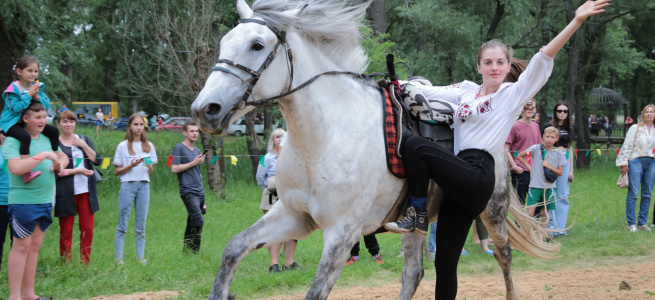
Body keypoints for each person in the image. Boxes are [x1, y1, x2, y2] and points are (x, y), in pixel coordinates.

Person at [384, 1, 609, 297]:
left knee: (415, 147)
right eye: (488, 62)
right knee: (445, 262)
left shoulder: (511, 95)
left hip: (479, 174)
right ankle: (420, 216)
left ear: (506, 67)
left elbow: (545, 56)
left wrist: (576, 22)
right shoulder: (465, 90)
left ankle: (418, 212)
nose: (494, 67)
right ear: (479, 66)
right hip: (458, 181)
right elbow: (427, 91)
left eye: (499, 62)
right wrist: (397, 86)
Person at [4, 101, 67, 300]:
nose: (42, 121)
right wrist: (43, 156)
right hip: (23, 202)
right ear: (25, 119)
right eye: (37, 117)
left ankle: (29, 294)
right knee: (21, 246)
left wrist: (58, 164)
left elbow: (63, 157)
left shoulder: (48, 137)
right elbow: (16, 168)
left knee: (34, 248)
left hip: (45, 200)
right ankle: (14, 296)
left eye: (44, 117)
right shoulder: (13, 141)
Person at [1, 56, 61, 184]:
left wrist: (37, 96)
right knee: (25, 137)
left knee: (54, 131)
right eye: (29, 70)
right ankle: (26, 172)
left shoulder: (37, 87)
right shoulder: (12, 90)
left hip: (27, 122)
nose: (33, 74)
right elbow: (16, 109)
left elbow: (44, 107)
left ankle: (57, 161)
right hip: (11, 124)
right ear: (19, 72)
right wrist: (28, 95)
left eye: (36, 71)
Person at [55, 110, 101, 264]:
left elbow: (97, 160)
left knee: (87, 229)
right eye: (65, 121)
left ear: (75, 123)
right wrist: (77, 171)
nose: (68, 124)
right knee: (66, 231)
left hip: (86, 192)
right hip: (66, 192)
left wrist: (83, 145)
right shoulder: (55, 143)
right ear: (59, 124)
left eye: (71, 121)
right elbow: (56, 170)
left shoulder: (83, 139)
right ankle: (66, 263)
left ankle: (85, 263)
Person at [113, 113, 158, 264]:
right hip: (128, 185)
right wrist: (131, 165)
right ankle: (119, 258)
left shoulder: (149, 146)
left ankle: (140, 257)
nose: (139, 128)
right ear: (130, 126)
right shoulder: (122, 146)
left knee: (141, 224)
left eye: (141, 125)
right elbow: (117, 171)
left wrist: (149, 166)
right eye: (136, 124)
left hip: (144, 186)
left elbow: (151, 172)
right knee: (122, 222)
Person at [256, 128, 299, 272]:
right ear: (272, 140)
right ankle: (273, 263)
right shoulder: (266, 157)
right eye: (277, 137)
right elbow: (259, 177)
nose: (280, 139)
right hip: (272, 193)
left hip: (289, 194)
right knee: (274, 228)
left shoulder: (292, 157)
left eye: (282, 137)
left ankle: (289, 262)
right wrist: (269, 186)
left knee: (293, 228)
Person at [616, 104, 655, 232]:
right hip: (636, 161)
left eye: (651, 112)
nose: (649, 114)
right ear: (643, 114)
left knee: (647, 194)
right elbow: (627, 145)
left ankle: (642, 222)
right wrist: (623, 162)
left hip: (652, 162)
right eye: (646, 112)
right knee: (633, 193)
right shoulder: (636, 128)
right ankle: (631, 223)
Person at [517, 127, 566, 225]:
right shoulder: (535, 148)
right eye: (547, 136)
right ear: (543, 137)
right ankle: (528, 233)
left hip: (550, 187)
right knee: (530, 212)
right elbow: (520, 156)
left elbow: (560, 172)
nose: (549, 139)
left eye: (552, 137)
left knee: (544, 213)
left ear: (556, 139)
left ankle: (542, 234)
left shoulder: (559, 153)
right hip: (535, 185)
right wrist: (530, 168)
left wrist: (549, 166)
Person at [171, 121, 207, 253]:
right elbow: (174, 168)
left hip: (199, 190)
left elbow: (198, 172)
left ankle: (187, 249)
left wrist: (198, 164)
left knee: (193, 219)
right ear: (185, 133)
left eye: (196, 131)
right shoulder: (179, 148)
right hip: (188, 190)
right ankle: (195, 251)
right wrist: (194, 162)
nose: (195, 133)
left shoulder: (197, 150)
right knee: (198, 219)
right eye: (192, 131)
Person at [545, 102, 575, 237]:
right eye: (559, 111)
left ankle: (561, 229)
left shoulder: (569, 128)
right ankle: (551, 227)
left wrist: (571, 170)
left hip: (565, 161)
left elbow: (570, 147)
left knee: (563, 195)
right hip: (552, 160)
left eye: (565, 111)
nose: (562, 113)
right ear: (555, 112)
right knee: (551, 194)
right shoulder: (548, 126)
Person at [505, 99, 542, 204]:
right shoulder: (514, 126)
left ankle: (532, 221)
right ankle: (519, 221)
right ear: (521, 109)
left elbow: (538, 148)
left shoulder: (536, 126)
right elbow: (506, 148)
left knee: (535, 203)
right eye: (526, 107)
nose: (529, 110)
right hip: (520, 171)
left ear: (535, 109)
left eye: (532, 108)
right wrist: (514, 166)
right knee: (520, 202)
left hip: (534, 170)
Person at [0, 133, 11, 270]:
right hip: (1, 201)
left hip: (19, 201)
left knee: (18, 240)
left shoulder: (23, 151)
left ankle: (16, 271)